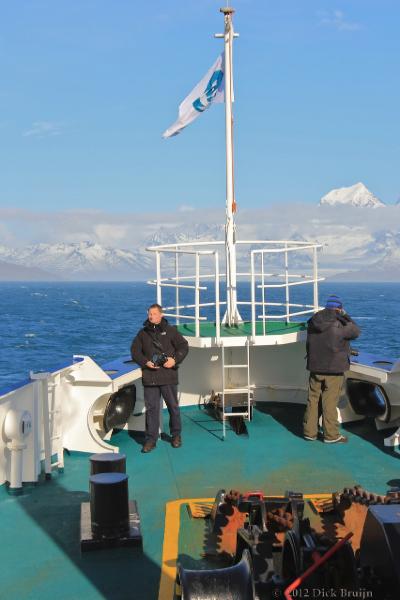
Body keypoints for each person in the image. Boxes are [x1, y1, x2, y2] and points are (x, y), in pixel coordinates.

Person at [131, 303, 189, 453]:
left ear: (161, 315)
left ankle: (176, 436)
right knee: (151, 410)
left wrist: (174, 360)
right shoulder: (142, 333)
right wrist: (146, 362)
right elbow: (135, 351)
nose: (151, 316)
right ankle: (151, 440)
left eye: (154, 314)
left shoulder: (171, 331)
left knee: (173, 408)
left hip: (168, 376)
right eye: (150, 314)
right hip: (150, 377)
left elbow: (184, 346)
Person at [303, 294, 360, 444]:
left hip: (315, 367)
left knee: (313, 400)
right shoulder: (340, 323)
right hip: (334, 369)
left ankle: (310, 433)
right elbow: (356, 331)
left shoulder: (314, 320)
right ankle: (331, 435)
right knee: (329, 401)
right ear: (339, 308)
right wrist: (346, 315)